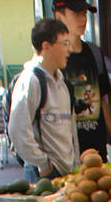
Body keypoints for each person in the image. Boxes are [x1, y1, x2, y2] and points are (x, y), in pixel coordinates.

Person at [51, 0, 111, 159]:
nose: (82, 19)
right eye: (76, 13)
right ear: (58, 16)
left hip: (97, 145)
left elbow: (102, 99)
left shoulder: (94, 52)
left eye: (84, 13)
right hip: (67, 150)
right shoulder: (54, 58)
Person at [7, 18, 79, 183]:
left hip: (66, 173)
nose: (70, 50)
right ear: (46, 46)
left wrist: (75, 165)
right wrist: (44, 165)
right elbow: (18, 130)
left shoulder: (63, 83)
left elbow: (70, 130)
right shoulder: (30, 81)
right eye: (65, 43)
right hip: (42, 174)